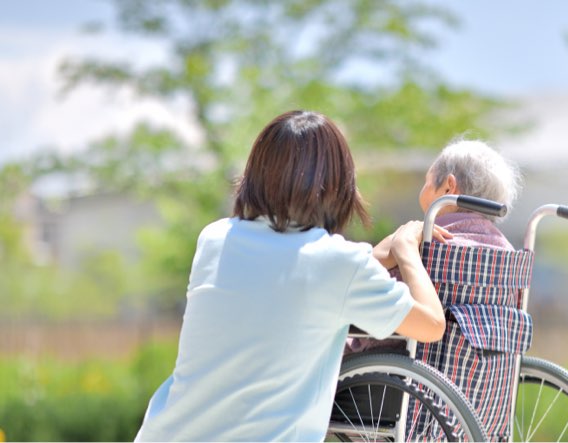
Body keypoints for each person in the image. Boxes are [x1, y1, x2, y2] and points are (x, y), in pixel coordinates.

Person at [134, 110, 448, 442]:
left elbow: (285, 280)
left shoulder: (214, 239)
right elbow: (431, 325)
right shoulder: (338, 264)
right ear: (338, 185)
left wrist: (371, 258)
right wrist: (405, 250)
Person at [346, 138, 521, 354]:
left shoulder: (423, 242)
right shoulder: (508, 255)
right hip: (478, 379)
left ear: (449, 186)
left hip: (391, 375)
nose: (424, 187)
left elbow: (360, 289)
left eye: (427, 181)